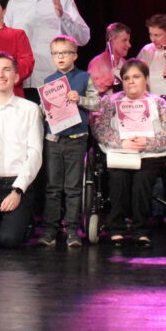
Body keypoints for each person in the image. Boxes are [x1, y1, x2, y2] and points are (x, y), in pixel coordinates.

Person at [92, 59, 166, 247]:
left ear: (146, 79)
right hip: (120, 153)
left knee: (142, 181)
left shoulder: (160, 104)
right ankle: (116, 229)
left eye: (136, 77)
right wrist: (121, 143)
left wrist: (147, 143)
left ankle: (141, 230)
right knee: (118, 179)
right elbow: (100, 128)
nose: (131, 81)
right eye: (126, 78)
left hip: (149, 154)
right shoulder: (110, 102)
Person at [37, 35, 100, 247]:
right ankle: (50, 230)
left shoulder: (84, 78)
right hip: (54, 139)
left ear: (75, 55)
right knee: (53, 187)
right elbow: (43, 111)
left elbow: (96, 103)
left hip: (76, 138)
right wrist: (44, 110)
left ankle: (72, 229)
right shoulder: (49, 81)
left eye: (65, 53)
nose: (60, 57)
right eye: (56, 53)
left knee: (73, 188)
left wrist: (79, 99)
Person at [0, 53, 43, 248]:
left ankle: (26, 220)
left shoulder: (30, 109)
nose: (1, 75)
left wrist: (18, 190)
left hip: (18, 185)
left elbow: (35, 153)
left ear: (16, 77)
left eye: (7, 70)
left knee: (8, 239)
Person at [4, 0, 90, 102]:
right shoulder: (15, 2)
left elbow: (83, 38)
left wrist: (63, 16)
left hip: (55, 83)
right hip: (20, 82)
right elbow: (5, 41)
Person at [88, 22, 133, 96]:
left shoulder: (124, 63)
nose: (129, 45)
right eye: (124, 40)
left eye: (128, 41)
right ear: (111, 41)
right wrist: (110, 78)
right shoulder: (96, 63)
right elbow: (91, 93)